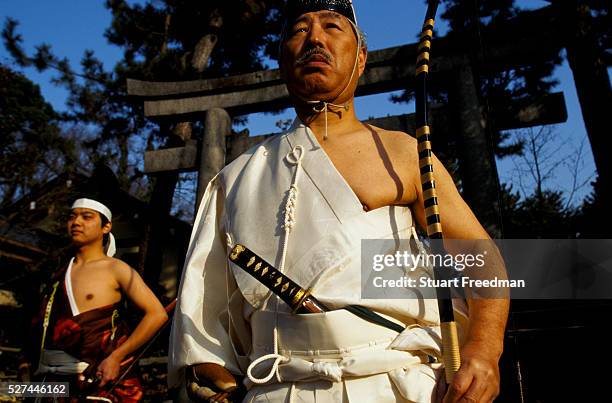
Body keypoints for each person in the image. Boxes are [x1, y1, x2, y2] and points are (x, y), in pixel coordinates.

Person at [169, 0, 509, 402]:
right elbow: (204, 309)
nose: (314, 38)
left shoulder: (402, 153)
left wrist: (484, 348)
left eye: (332, 27)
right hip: (276, 385)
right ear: (282, 61)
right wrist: (216, 381)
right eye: (298, 30)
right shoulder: (238, 177)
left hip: (395, 380)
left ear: (360, 58)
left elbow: (479, 256)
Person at [27, 169, 168, 402]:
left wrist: (116, 357)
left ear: (106, 227)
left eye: (87, 217)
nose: (76, 222)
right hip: (49, 381)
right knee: (6, 391)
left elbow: (157, 314)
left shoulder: (117, 269)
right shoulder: (57, 271)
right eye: (72, 216)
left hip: (95, 379)